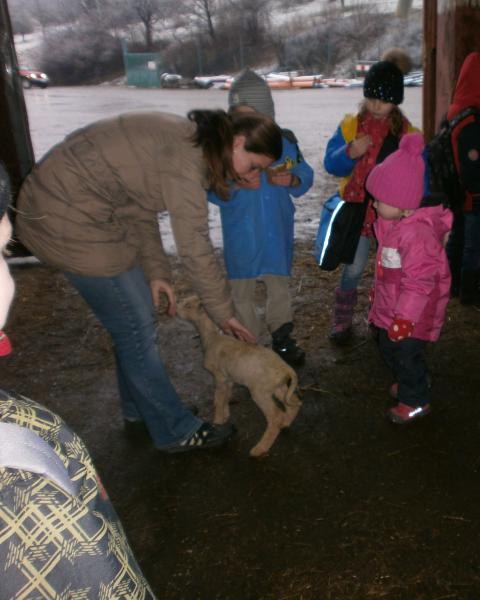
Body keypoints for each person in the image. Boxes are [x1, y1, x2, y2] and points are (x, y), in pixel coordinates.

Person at [15, 110, 283, 453]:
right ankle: (174, 430)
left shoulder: (194, 140)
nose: (253, 176)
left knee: (134, 322)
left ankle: (144, 409)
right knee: (135, 326)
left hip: (82, 210)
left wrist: (157, 272)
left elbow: (136, 204)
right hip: (64, 218)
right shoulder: (188, 159)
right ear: (238, 142)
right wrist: (224, 312)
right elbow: (194, 245)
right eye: (254, 166)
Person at [0, 163, 156, 598]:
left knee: (134, 332)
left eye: (4, 253)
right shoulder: (23, 495)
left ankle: (139, 411)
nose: (8, 286)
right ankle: (167, 427)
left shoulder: (18, 417)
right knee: (135, 331)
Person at [208, 69, 314, 366]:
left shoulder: (285, 142)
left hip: (276, 232)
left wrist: (293, 179)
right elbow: (209, 186)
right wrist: (231, 184)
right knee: (240, 291)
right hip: (241, 233)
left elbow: (306, 174)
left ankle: (282, 337)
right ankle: (248, 343)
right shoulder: (224, 147)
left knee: (278, 286)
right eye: (237, 116)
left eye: (250, 115)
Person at [324, 49, 417, 345]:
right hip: (358, 211)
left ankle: (383, 318)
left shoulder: (407, 134)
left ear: (396, 101)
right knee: (354, 266)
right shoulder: (350, 127)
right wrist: (349, 152)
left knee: (391, 267)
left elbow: (418, 172)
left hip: (392, 214)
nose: (377, 106)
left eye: (385, 100)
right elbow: (330, 163)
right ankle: (342, 319)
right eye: (372, 98)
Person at [365, 133, 452, 424]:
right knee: (388, 348)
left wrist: (405, 318)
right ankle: (413, 380)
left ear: (403, 204)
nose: (374, 205)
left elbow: (419, 283)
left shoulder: (416, 236)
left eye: (379, 200)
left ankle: (415, 401)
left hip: (410, 316)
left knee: (404, 354)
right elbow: (390, 272)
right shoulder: (392, 225)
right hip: (393, 308)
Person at [444, 51, 480, 304]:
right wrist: (478, 192)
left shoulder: (456, 110)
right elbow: (471, 160)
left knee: (457, 236)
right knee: (474, 241)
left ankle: (453, 284)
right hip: (473, 192)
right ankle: (469, 288)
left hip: (457, 189)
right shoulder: (473, 119)